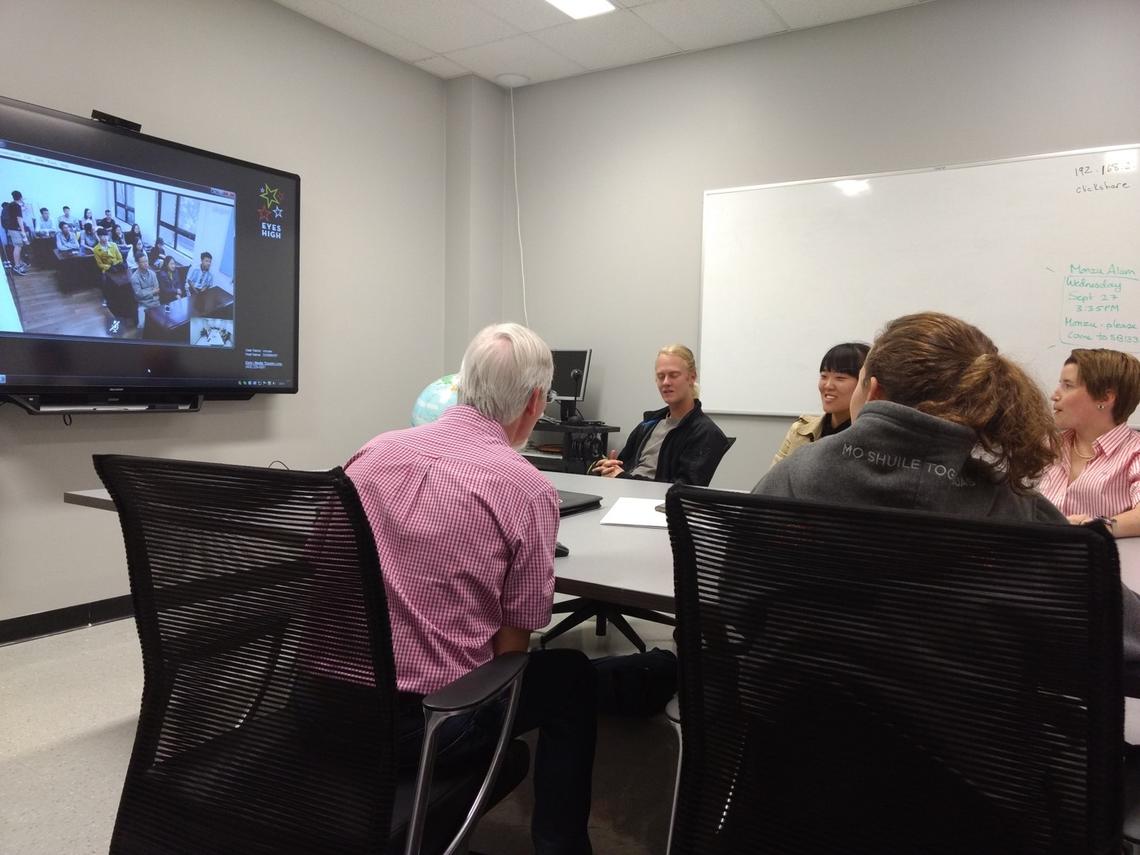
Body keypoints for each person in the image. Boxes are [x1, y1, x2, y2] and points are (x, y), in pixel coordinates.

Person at [753, 311, 1140, 667]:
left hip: (794, 727)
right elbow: (1119, 640)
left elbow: (736, 607)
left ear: (872, 391)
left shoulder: (791, 478)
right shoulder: (1017, 512)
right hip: (970, 736)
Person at [346, 323, 596, 855]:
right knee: (571, 674)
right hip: (424, 729)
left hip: (321, 708)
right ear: (534, 402)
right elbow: (512, 647)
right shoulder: (526, 488)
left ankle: (642, 680)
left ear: (459, 386)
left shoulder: (371, 453)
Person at [593, 344, 729, 486]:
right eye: (660, 376)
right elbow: (622, 467)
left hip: (656, 504)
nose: (666, 382)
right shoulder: (649, 424)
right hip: (624, 493)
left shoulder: (706, 433)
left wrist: (622, 477)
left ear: (692, 377)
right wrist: (609, 468)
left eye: (673, 375)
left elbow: (682, 491)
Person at [1038, 349, 1140, 537]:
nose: (1054, 395)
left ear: (1105, 398)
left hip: (1104, 563)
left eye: (1067, 386)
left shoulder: (1135, 452)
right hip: (1039, 558)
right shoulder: (1049, 445)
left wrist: (1098, 527)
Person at [772, 342, 870, 467]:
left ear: (866, 384)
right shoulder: (800, 430)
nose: (828, 385)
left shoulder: (870, 439)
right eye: (824, 376)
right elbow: (773, 479)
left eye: (840, 378)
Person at [1, 191, 29, 274]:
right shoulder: (17, 206)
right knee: (18, 246)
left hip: (10, 229)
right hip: (15, 229)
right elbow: (19, 219)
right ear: (20, 197)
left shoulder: (10, 205)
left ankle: (19, 263)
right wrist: (23, 232)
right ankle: (17, 266)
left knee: (17, 246)